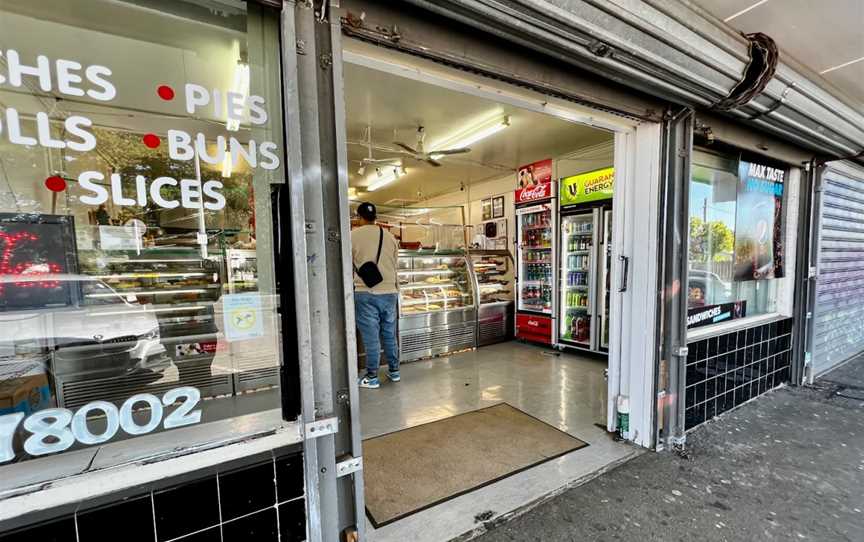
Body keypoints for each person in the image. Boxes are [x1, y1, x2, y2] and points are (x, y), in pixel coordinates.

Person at [351, 202, 400, 389]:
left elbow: (345, 262)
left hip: (366, 291)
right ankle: (394, 371)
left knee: (371, 337)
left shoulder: (352, 236)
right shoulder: (390, 237)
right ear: (375, 217)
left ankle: (372, 377)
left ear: (359, 217)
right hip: (390, 292)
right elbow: (395, 264)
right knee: (389, 334)